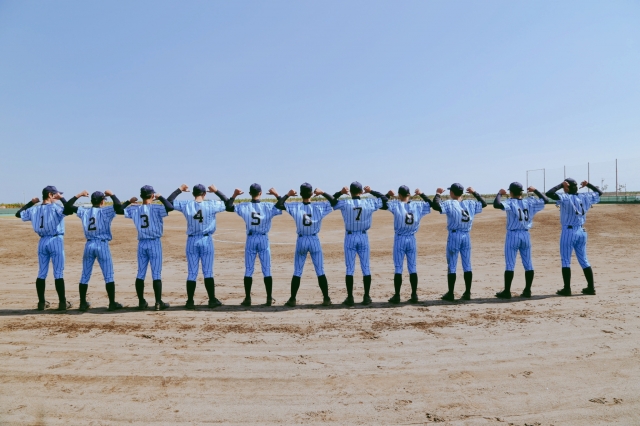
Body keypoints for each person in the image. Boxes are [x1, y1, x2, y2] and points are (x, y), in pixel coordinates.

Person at [166, 184, 230, 309]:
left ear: (193, 193)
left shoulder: (186, 204)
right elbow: (228, 204)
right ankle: (212, 300)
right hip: (206, 240)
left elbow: (168, 202)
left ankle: (190, 301)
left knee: (192, 272)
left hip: (192, 241)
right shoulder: (212, 204)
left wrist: (179, 190)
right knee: (208, 271)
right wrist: (216, 191)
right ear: (204, 194)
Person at [275, 183, 336, 307]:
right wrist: (323, 193)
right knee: (320, 270)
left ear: (300, 193)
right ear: (312, 193)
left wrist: (287, 194)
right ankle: (326, 298)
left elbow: (279, 205)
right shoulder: (319, 206)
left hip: (301, 240)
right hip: (314, 240)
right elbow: (334, 202)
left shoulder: (295, 206)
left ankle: (292, 299)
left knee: (297, 271)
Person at [15, 186, 74, 311]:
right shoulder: (55, 207)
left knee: (42, 273)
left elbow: (18, 214)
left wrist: (31, 203)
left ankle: (41, 303)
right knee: (58, 273)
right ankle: (62, 303)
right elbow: (69, 210)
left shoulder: (34, 209)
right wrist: (62, 198)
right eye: (56, 195)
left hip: (42, 242)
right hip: (55, 240)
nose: (57, 197)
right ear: (50, 195)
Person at [64, 190, 125, 311]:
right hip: (102, 245)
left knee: (85, 275)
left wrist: (79, 195)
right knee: (108, 275)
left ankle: (83, 303)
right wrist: (112, 194)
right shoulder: (105, 211)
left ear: (92, 201)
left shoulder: (84, 211)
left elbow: (68, 206)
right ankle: (112, 303)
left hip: (89, 244)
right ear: (102, 201)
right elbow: (118, 206)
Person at [225, 184, 282, 307]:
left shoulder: (244, 206)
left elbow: (228, 207)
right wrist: (276, 194)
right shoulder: (268, 206)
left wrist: (234, 195)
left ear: (250, 193)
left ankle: (247, 298)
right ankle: (268, 298)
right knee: (266, 269)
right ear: (260, 193)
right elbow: (282, 206)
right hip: (263, 239)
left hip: (251, 239)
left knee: (249, 269)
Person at [331, 182, 387, 306]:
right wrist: (371, 191)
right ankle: (366, 296)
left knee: (350, 269)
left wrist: (340, 193)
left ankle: (350, 297)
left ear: (350, 192)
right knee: (366, 267)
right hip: (363, 236)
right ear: (361, 192)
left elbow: (331, 201)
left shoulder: (345, 203)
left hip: (350, 237)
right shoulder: (369, 202)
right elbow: (384, 199)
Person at [545, 178, 602, 296]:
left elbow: (549, 193)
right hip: (581, 231)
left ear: (567, 187)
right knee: (584, 260)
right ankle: (591, 288)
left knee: (566, 260)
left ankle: (567, 289)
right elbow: (599, 193)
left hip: (568, 232)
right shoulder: (585, 196)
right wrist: (588, 184)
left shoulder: (565, 197)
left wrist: (560, 185)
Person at [121, 185, 174, 310]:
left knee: (140, 273)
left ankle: (141, 302)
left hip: (142, 243)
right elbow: (170, 207)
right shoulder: (157, 207)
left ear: (141, 196)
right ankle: (158, 302)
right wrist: (160, 197)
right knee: (156, 273)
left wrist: (128, 201)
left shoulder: (134, 209)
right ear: (152, 195)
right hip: (154, 243)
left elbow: (118, 209)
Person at [493, 183, 548, 299]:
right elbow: (546, 200)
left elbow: (496, 204)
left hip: (513, 235)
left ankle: (507, 291)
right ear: (521, 192)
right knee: (528, 263)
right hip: (526, 235)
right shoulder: (530, 202)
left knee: (510, 264)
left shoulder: (510, 202)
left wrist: (499, 194)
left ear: (511, 192)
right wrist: (535, 190)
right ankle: (527, 290)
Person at [433, 183, 486, 301]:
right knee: (467, 265)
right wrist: (474, 192)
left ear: (451, 192)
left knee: (452, 265)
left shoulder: (450, 203)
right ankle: (467, 293)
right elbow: (483, 203)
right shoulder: (470, 203)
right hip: (466, 236)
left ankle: (451, 293)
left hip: (454, 236)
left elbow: (436, 206)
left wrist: (437, 194)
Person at [383, 185, 433, 304]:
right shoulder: (418, 205)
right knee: (412, 267)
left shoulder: (396, 204)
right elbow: (431, 204)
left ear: (399, 195)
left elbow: (382, 204)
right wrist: (421, 194)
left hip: (400, 239)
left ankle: (397, 295)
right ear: (409, 194)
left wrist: (388, 195)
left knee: (398, 268)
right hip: (411, 239)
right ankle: (414, 295)